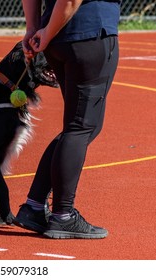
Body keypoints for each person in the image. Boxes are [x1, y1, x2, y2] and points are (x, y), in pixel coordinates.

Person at [13, 0, 121, 239]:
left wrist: (35, 28)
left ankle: (34, 205)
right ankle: (63, 215)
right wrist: (46, 32)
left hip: (61, 37)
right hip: (89, 33)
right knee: (81, 127)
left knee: (78, 126)